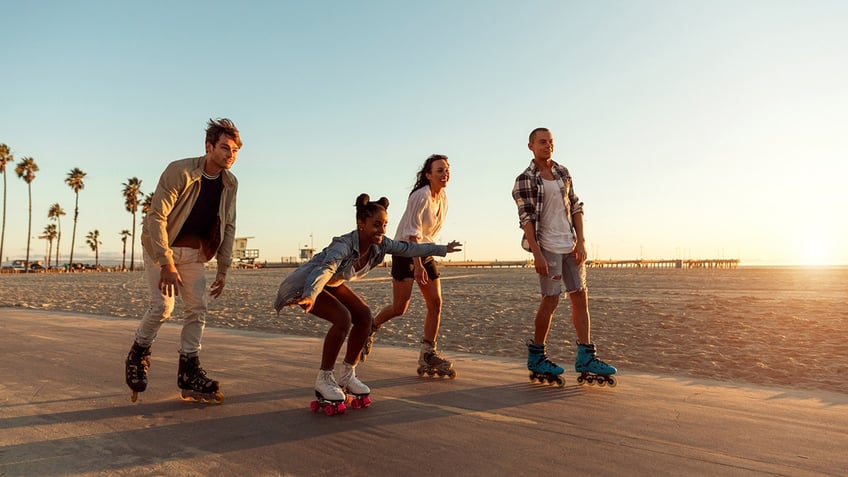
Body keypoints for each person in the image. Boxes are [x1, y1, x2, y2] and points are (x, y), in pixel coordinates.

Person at [274, 194, 462, 408]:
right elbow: (325, 269)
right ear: (361, 223)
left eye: (384, 225)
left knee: (364, 316)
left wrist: (441, 249)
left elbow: (409, 249)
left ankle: (346, 375)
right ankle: (324, 379)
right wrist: (311, 293)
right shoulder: (343, 245)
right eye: (376, 225)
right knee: (342, 318)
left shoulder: (379, 246)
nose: (382, 230)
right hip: (306, 285)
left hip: (330, 284)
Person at [124, 118, 242, 402]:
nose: (230, 155)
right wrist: (165, 263)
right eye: (225, 148)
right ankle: (137, 355)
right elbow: (156, 217)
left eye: (235, 151)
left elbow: (228, 225)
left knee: (197, 309)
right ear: (209, 146)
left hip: (193, 255)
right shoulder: (180, 171)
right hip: (160, 247)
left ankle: (189, 369)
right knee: (163, 307)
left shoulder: (230, 183)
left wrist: (223, 269)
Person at [511, 127, 616, 383]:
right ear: (531, 146)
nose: (548, 146)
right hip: (547, 246)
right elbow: (526, 219)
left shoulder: (562, 172)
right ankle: (537, 355)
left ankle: (586, 355)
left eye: (551, 142)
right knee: (551, 299)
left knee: (580, 296)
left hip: (570, 245)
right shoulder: (524, 179)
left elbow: (576, 205)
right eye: (542, 142)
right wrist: (537, 254)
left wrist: (581, 241)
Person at [361, 154, 456, 378]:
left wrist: (427, 257)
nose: (445, 174)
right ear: (428, 175)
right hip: (405, 252)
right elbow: (412, 232)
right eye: (440, 170)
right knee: (399, 308)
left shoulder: (443, 197)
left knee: (435, 303)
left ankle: (427, 354)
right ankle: (371, 327)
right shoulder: (420, 195)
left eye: (447, 170)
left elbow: (428, 234)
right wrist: (418, 265)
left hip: (425, 250)